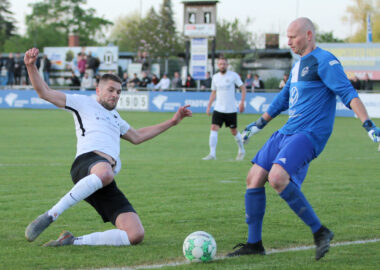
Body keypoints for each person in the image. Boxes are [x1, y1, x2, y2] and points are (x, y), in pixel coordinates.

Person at [227, 17, 380, 260]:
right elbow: (283, 99)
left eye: (293, 37)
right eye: (287, 37)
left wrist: (368, 124)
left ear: (308, 35)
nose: (288, 42)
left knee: (277, 177)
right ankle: (254, 244)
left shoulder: (325, 61)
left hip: (309, 134)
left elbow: (347, 93)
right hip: (288, 131)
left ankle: (320, 232)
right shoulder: (298, 66)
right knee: (254, 177)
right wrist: (259, 124)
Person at [23, 47, 192, 247]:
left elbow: (137, 136)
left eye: (118, 92)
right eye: (111, 90)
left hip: (104, 176)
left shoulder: (116, 117)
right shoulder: (82, 102)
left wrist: (172, 122)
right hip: (86, 163)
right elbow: (45, 92)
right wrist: (31, 66)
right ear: (98, 90)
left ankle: (71, 241)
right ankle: (50, 215)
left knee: (135, 234)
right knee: (105, 173)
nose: (115, 95)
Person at [203, 57, 247, 161]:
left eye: (224, 64)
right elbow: (214, 92)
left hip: (231, 109)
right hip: (218, 109)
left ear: (227, 65)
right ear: (218, 65)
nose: (222, 66)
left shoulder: (233, 76)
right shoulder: (215, 77)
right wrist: (209, 106)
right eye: (221, 64)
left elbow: (243, 88)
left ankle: (242, 150)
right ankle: (212, 154)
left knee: (234, 131)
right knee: (213, 128)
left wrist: (242, 102)